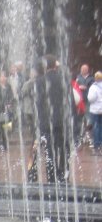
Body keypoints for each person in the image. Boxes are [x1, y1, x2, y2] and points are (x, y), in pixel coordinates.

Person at [33, 55, 74, 183]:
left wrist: (38, 122)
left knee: (50, 151)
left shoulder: (40, 81)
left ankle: (52, 178)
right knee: (64, 149)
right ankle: (64, 176)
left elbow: (38, 103)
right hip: (63, 121)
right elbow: (70, 101)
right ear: (55, 65)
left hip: (47, 122)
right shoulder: (64, 79)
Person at [87, 71, 102, 154]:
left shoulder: (93, 87)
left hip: (96, 110)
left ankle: (97, 145)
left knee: (96, 127)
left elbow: (91, 98)